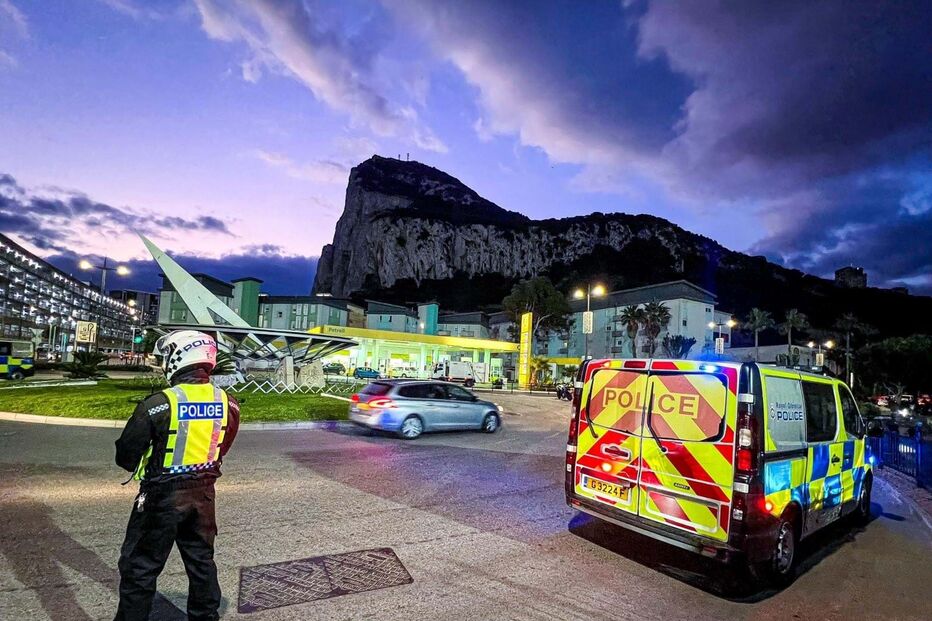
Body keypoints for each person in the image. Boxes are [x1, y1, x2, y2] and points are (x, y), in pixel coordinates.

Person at [113, 330, 240, 621]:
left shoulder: (159, 404)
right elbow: (223, 446)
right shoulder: (229, 403)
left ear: (180, 357)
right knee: (201, 562)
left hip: (161, 498)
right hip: (204, 496)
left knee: (140, 567)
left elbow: (125, 456)